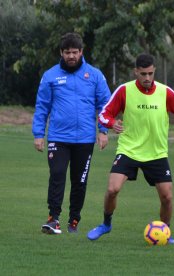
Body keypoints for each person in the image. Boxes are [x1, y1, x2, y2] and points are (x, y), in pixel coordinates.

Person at [87, 53, 174, 243]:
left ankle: (165, 232)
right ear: (136, 71)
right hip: (129, 149)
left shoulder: (165, 92)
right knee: (112, 189)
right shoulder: (124, 91)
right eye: (143, 74)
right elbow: (104, 114)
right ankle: (106, 224)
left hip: (156, 153)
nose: (147, 78)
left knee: (167, 197)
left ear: (154, 72)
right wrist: (112, 123)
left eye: (151, 74)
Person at [32, 32, 111, 234]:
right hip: (58, 137)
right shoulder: (50, 76)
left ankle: (74, 220)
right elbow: (42, 106)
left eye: (75, 52)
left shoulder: (94, 75)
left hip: (84, 139)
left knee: (79, 180)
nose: (71, 56)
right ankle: (53, 219)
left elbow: (105, 105)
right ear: (61, 53)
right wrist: (38, 134)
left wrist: (103, 131)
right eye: (67, 52)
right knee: (57, 175)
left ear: (81, 52)